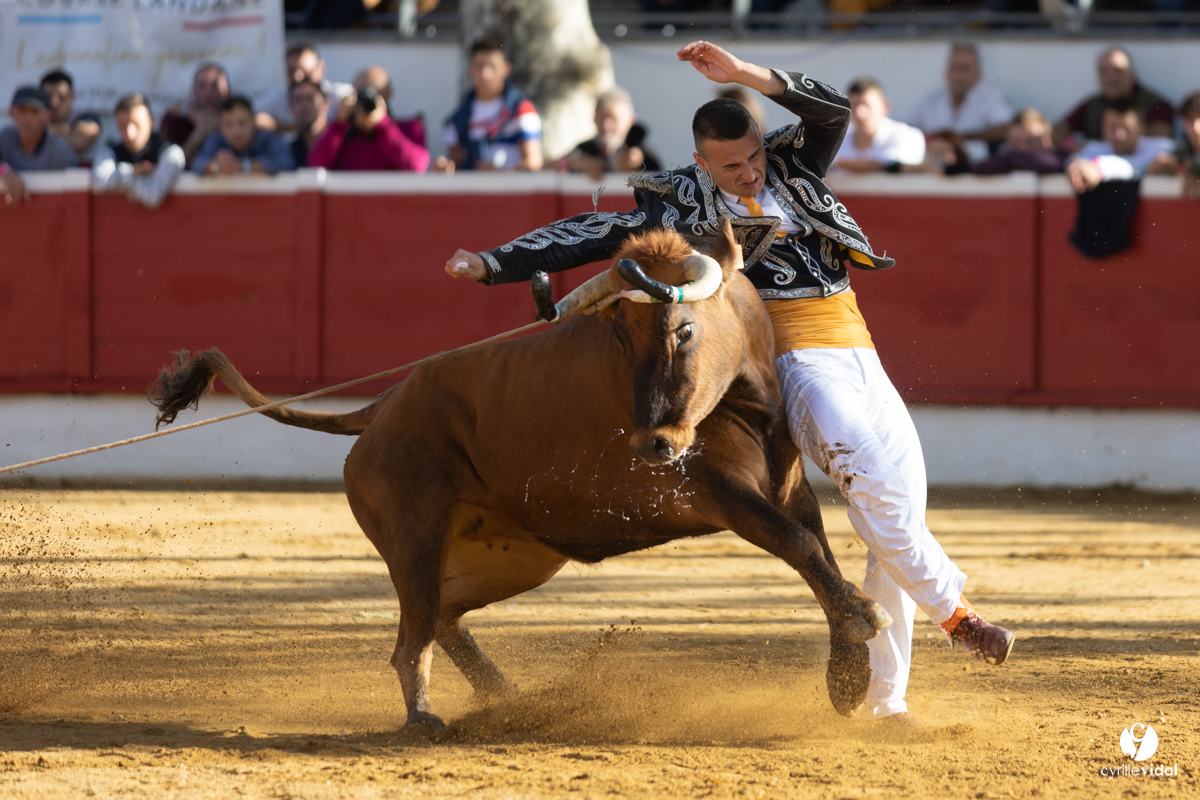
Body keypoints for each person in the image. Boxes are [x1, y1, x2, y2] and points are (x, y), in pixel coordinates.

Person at [441, 40, 1015, 727]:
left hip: (861, 350)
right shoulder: (680, 203)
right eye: (731, 165)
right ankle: (957, 613)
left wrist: (746, 74)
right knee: (868, 481)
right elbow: (594, 231)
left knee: (897, 516)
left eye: (754, 157)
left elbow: (831, 110)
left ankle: (886, 701)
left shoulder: (793, 161)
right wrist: (494, 261)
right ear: (701, 163)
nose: (748, 172)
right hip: (794, 362)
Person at [437, 38, 543, 172]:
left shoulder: (522, 110)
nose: (485, 74)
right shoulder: (459, 118)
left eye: (492, 66)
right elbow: (454, 163)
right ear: (470, 68)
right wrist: (445, 167)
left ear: (505, 69)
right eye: (479, 66)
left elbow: (534, 162)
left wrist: (501, 172)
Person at [903, 43, 1012, 159]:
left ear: (978, 73)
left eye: (965, 68)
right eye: (955, 68)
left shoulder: (991, 99)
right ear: (947, 72)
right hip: (931, 171)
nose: (959, 75)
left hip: (975, 171)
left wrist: (965, 137)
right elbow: (903, 126)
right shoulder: (931, 100)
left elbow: (1008, 129)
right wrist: (931, 138)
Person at [1054, 48, 1174, 147]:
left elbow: (1161, 135)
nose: (1111, 77)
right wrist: (1075, 145)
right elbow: (1057, 132)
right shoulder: (1091, 105)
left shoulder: (1156, 104)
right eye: (1104, 71)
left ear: (1133, 75)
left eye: (1118, 71)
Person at [306, 81, 430, 172]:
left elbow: (417, 165)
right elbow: (315, 164)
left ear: (386, 96)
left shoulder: (408, 128)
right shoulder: (342, 133)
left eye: (375, 94)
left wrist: (383, 124)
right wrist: (339, 122)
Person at [92, 94, 186, 209]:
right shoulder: (110, 150)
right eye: (123, 125)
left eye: (136, 124)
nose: (130, 133)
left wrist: (122, 177)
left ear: (151, 122)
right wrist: (134, 170)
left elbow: (153, 196)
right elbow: (99, 182)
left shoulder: (171, 152)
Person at [1065, 101, 1173, 193]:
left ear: (1141, 128)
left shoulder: (1163, 148)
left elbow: (1182, 157)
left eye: (1126, 128)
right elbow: (1076, 161)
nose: (1119, 136)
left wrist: (1173, 162)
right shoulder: (1093, 149)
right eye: (1112, 128)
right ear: (1103, 128)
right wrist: (1076, 166)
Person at [564, 88, 662, 180]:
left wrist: (635, 166)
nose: (606, 126)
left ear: (631, 121)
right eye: (601, 118)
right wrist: (573, 161)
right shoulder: (584, 150)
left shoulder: (647, 157)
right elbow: (550, 168)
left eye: (614, 119)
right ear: (594, 120)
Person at [255, 43, 353, 132]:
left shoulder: (339, 94)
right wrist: (293, 129)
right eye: (298, 99)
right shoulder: (279, 98)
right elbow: (253, 116)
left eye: (310, 98)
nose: (298, 78)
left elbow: (352, 100)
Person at [834, 78, 925, 173]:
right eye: (854, 105)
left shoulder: (908, 136)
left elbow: (896, 167)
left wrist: (834, 162)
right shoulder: (837, 137)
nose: (860, 113)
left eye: (866, 105)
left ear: (885, 107)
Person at [191, 96, 294, 176]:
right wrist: (216, 166)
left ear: (253, 121)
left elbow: (286, 163)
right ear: (221, 126)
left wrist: (244, 166)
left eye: (242, 123)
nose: (236, 131)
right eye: (228, 124)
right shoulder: (216, 139)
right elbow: (196, 163)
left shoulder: (269, 138)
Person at [950, 109, 1064, 176]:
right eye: (1015, 142)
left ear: (1047, 142)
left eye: (1030, 141)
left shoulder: (1064, 159)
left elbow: (1049, 165)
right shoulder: (1002, 161)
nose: (1022, 148)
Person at [160, 63, 231, 166]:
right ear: (193, 90)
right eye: (202, 86)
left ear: (227, 88)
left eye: (214, 85)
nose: (208, 92)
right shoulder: (175, 119)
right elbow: (172, 165)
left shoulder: (241, 116)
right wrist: (199, 134)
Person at [0, 86, 79, 171]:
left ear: (48, 115)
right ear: (11, 112)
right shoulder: (5, 137)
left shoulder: (60, 153)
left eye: (34, 111)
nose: (27, 118)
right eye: (22, 110)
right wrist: (2, 169)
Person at [353, 65, 426, 149]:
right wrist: (340, 123)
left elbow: (416, 161)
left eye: (373, 93)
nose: (366, 100)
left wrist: (383, 124)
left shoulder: (411, 128)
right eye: (361, 93)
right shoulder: (346, 130)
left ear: (388, 94)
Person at [1147, 92, 1200, 199]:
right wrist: (1164, 166)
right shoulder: (1181, 151)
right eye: (1189, 120)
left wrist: (1195, 173)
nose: (1195, 127)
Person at [39, 69, 101, 158]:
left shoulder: (86, 116)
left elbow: (80, 141)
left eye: (61, 97)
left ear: (72, 96)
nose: (54, 103)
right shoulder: (33, 117)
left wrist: (41, 132)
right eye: (48, 96)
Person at [288, 81, 329, 168]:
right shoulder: (288, 152)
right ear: (292, 108)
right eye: (298, 100)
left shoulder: (342, 145)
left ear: (326, 104)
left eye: (310, 98)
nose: (304, 105)